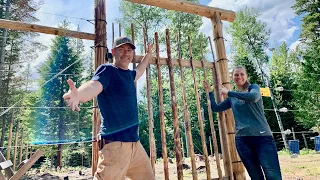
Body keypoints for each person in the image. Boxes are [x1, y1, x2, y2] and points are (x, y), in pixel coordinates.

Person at [63, 37, 155, 180]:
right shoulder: (108, 70)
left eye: (129, 50)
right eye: (121, 49)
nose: (126, 53)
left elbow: (140, 70)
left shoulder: (129, 75)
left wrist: (148, 55)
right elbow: (94, 86)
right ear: (113, 52)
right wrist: (79, 95)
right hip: (115, 146)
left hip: (135, 146)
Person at [203, 66, 282, 180]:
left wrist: (229, 92)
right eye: (236, 75)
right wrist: (209, 92)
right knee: (255, 176)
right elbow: (216, 108)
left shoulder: (253, 88)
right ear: (232, 77)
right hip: (242, 140)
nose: (239, 77)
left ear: (246, 76)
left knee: (273, 176)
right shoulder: (232, 98)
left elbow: (253, 97)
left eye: (241, 74)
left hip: (262, 138)